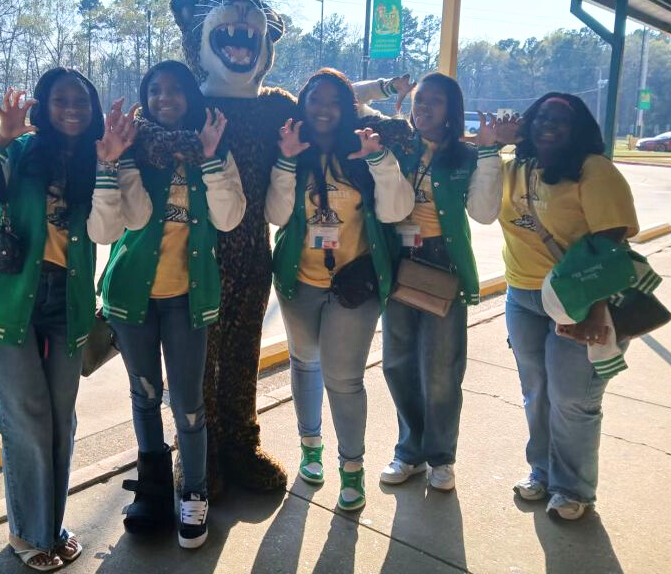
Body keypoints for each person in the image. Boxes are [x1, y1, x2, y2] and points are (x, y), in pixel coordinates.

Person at [0, 68, 137, 571]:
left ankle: (49, 526)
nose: (71, 108)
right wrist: (0, 140)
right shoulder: (19, 151)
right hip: (9, 303)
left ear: (93, 108)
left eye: (81, 99)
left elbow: (104, 231)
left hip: (67, 304)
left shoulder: (98, 159)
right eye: (60, 99)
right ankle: (29, 535)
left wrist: (105, 167)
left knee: (61, 420)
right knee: (28, 421)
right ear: (44, 105)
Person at [89, 60, 245, 549]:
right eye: (154, 90)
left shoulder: (211, 150)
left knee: (189, 404)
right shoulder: (132, 148)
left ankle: (192, 491)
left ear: (190, 97)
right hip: (133, 299)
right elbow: (128, 223)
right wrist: (119, 161)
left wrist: (213, 159)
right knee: (144, 395)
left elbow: (229, 218)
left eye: (175, 89)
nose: (164, 97)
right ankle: (153, 489)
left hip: (186, 299)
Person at [357, 72, 515, 491]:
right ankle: (409, 450)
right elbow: (345, 99)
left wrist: (488, 154)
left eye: (435, 102)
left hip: (442, 267)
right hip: (397, 264)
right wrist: (387, 88)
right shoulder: (395, 141)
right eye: (419, 99)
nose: (423, 107)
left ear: (451, 111)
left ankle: (441, 456)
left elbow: (483, 213)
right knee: (397, 364)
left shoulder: (465, 156)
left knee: (442, 370)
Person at [266, 68, 414, 511]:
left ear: (348, 107)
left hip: (355, 284)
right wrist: (287, 160)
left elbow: (395, 212)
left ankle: (352, 468)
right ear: (303, 106)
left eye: (334, 100)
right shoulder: (293, 151)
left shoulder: (365, 148)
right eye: (315, 100)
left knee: (344, 380)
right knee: (304, 363)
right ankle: (310, 448)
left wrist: (379, 161)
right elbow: (275, 215)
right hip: (299, 281)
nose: (324, 108)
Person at [498, 92, 639, 520]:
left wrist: (597, 309)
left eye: (560, 119)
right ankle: (541, 472)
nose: (548, 124)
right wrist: (500, 140)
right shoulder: (516, 167)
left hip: (579, 301)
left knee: (572, 398)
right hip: (522, 296)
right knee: (536, 392)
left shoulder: (593, 171)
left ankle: (573, 488)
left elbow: (611, 241)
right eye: (540, 116)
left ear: (578, 128)